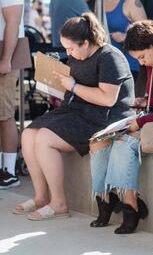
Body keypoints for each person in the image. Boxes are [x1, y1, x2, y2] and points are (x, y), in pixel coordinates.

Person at [13, 13, 135, 220]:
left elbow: (107, 99)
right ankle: (41, 196)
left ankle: (59, 203)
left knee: (43, 138)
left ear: (86, 42)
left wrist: (74, 86)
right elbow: (73, 89)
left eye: (71, 48)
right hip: (77, 111)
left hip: (102, 118)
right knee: (28, 134)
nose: (68, 53)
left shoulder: (110, 57)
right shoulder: (78, 56)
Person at [88, 20, 153, 234]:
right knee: (97, 143)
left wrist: (141, 121)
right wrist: (143, 102)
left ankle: (130, 204)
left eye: (142, 56)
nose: (142, 63)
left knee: (124, 142)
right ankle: (105, 198)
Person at [0, 0, 24, 189]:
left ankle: (9, 173)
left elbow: (13, 21)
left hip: (7, 48)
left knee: (4, 113)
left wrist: (6, 59)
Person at [105, 0, 147, 83]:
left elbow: (146, 32)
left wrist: (125, 36)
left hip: (127, 64)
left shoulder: (130, 1)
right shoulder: (99, 2)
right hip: (104, 62)